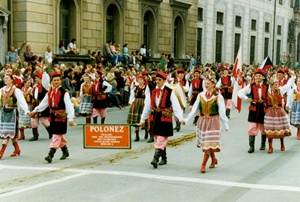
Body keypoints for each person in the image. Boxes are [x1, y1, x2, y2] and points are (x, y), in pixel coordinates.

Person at [182, 77, 229, 173]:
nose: (206, 85)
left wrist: (225, 123)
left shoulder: (218, 96)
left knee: (208, 143)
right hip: (203, 121)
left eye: (208, 83)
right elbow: (195, 109)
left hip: (213, 121)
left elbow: (222, 111)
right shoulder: (201, 95)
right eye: (205, 83)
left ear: (213, 85)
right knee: (207, 143)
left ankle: (203, 165)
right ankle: (214, 159)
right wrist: (187, 119)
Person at [139, 72, 184, 168]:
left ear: (164, 81)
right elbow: (147, 106)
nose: (157, 82)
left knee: (161, 138)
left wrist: (180, 118)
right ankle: (164, 158)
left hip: (165, 117)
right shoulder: (152, 92)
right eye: (156, 80)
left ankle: (155, 159)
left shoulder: (170, 91)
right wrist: (142, 119)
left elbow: (176, 105)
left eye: (160, 80)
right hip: (155, 116)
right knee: (157, 138)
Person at [29, 71, 76, 163]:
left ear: (60, 81)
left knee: (56, 135)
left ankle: (50, 155)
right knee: (58, 135)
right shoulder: (49, 93)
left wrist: (71, 118)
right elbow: (44, 103)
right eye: (54, 80)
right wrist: (35, 111)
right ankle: (65, 151)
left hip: (61, 117)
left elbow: (69, 106)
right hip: (53, 117)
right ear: (52, 81)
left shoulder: (64, 93)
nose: (56, 82)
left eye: (58, 80)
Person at [0, 70, 30, 159]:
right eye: (4, 78)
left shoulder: (16, 90)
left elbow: (21, 101)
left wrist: (26, 110)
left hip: (12, 113)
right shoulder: (1, 90)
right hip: (3, 113)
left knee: (8, 132)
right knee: (10, 133)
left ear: (12, 80)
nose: (5, 80)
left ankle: (1, 152)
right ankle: (17, 149)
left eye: (7, 78)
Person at [238, 69, 268, 153]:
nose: (257, 77)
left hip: (263, 108)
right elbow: (240, 93)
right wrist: (247, 98)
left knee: (263, 127)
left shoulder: (267, 86)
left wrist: (266, 101)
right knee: (252, 127)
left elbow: (270, 96)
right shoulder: (250, 86)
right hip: (254, 108)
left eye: (259, 76)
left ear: (263, 77)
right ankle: (251, 146)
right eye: (256, 75)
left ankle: (263, 144)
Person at [265, 71, 295, 154]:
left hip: (279, 112)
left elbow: (288, 85)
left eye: (277, 85)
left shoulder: (280, 90)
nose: (276, 86)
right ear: (271, 85)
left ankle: (282, 144)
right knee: (270, 129)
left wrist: (292, 76)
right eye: (275, 85)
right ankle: (270, 146)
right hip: (270, 112)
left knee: (280, 128)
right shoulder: (267, 92)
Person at [29, 72, 52, 141]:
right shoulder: (35, 86)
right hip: (35, 104)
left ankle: (51, 133)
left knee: (44, 120)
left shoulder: (44, 86)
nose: (36, 79)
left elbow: (46, 82)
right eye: (35, 78)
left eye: (37, 78)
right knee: (33, 120)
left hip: (42, 105)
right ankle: (35, 135)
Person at [127, 75, 150, 141]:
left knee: (144, 118)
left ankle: (146, 132)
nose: (140, 81)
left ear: (144, 81)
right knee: (136, 120)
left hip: (143, 103)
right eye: (139, 80)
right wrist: (132, 102)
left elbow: (147, 96)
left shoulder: (146, 88)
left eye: (141, 80)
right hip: (136, 104)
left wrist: (146, 104)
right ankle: (137, 136)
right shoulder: (136, 88)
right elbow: (132, 95)